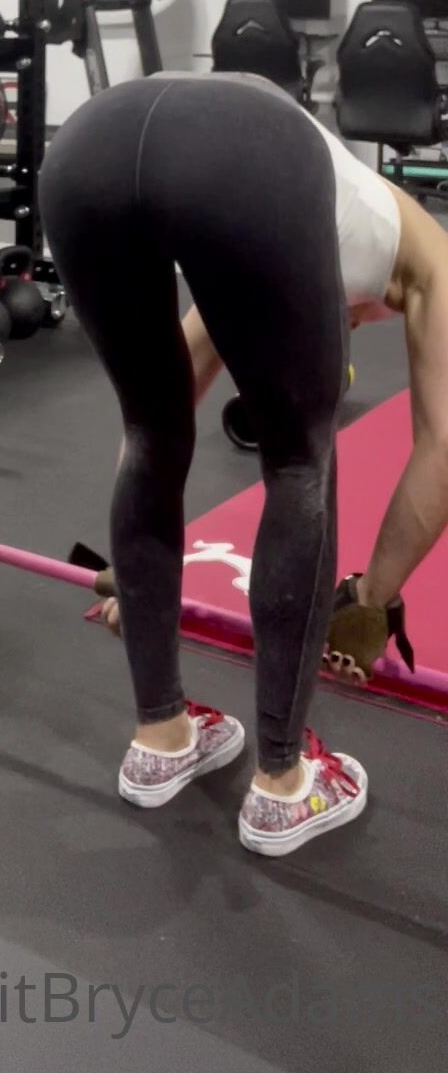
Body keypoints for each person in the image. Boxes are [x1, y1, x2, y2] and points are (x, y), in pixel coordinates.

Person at [39, 71, 448, 858]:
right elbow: (441, 448)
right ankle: (285, 787)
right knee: (300, 462)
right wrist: (370, 601)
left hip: (87, 146)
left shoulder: (309, 201)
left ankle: (162, 737)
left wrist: (141, 575)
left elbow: (158, 419)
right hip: (230, 152)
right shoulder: (432, 257)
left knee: (151, 425)